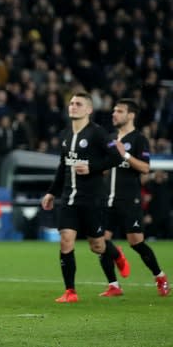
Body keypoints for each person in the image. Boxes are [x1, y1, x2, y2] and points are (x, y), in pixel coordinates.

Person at [41, 92, 127, 303]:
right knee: (65, 241)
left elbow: (117, 157)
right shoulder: (65, 135)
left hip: (92, 199)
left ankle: (116, 254)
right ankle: (70, 292)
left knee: (97, 246)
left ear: (88, 109)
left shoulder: (98, 134)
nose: (73, 106)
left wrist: (92, 167)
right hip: (69, 199)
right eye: (71, 103)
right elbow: (63, 167)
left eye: (78, 104)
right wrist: (52, 192)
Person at [99, 99, 169, 297]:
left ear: (131, 115)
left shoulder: (139, 139)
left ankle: (160, 276)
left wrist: (126, 155)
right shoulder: (110, 137)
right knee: (101, 242)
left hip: (129, 200)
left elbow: (146, 168)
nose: (114, 114)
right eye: (114, 110)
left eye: (119, 111)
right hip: (107, 199)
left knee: (136, 242)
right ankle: (113, 285)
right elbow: (105, 166)